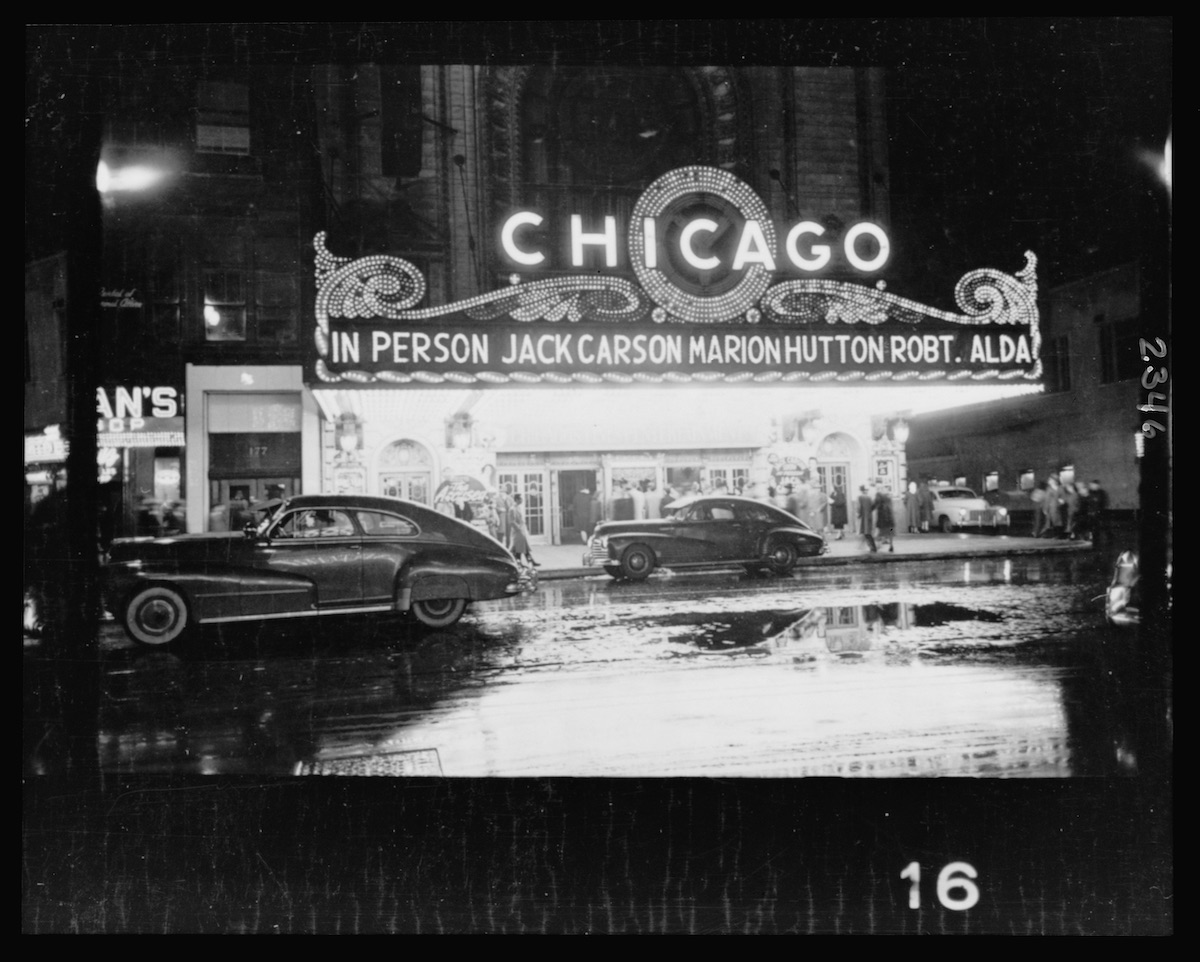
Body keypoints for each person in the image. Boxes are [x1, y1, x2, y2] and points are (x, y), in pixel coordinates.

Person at [509, 493, 538, 566]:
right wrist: (518, 529)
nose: (522, 500)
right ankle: (521, 562)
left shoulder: (518, 507)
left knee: (524, 547)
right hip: (518, 532)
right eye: (521, 499)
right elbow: (511, 521)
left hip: (522, 530)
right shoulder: (512, 509)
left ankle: (530, 562)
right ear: (517, 499)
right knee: (519, 548)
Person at [1088, 479, 1111, 552]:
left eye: (1092, 485)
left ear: (1097, 486)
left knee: (1104, 527)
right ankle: (1096, 542)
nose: (1091, 486)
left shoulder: (1101, 493)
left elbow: (1104, 503)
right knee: (1095, 529)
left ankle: (1108, 540)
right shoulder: (1090, 492)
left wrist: (1099, 511)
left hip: (1100, 513)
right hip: (1093, 513)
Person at [874, 486, 896, 553]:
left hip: (882, 520)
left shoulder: (879, 499)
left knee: (880, 532)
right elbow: (891, 508)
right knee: (891, 532)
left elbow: (875, 506)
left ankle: (878, 545)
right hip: (890, 519)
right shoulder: (889, 498)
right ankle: (891, 545)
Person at [857, 485, 877, 553]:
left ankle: (872, 547)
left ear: (860, 490)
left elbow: (859, 507)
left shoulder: (860, 497)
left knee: (866, 533)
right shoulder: (869, 497)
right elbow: (873, 506)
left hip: (863, 517)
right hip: (869, 516)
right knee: (867, 532)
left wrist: (858, 514)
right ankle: (871, 547)